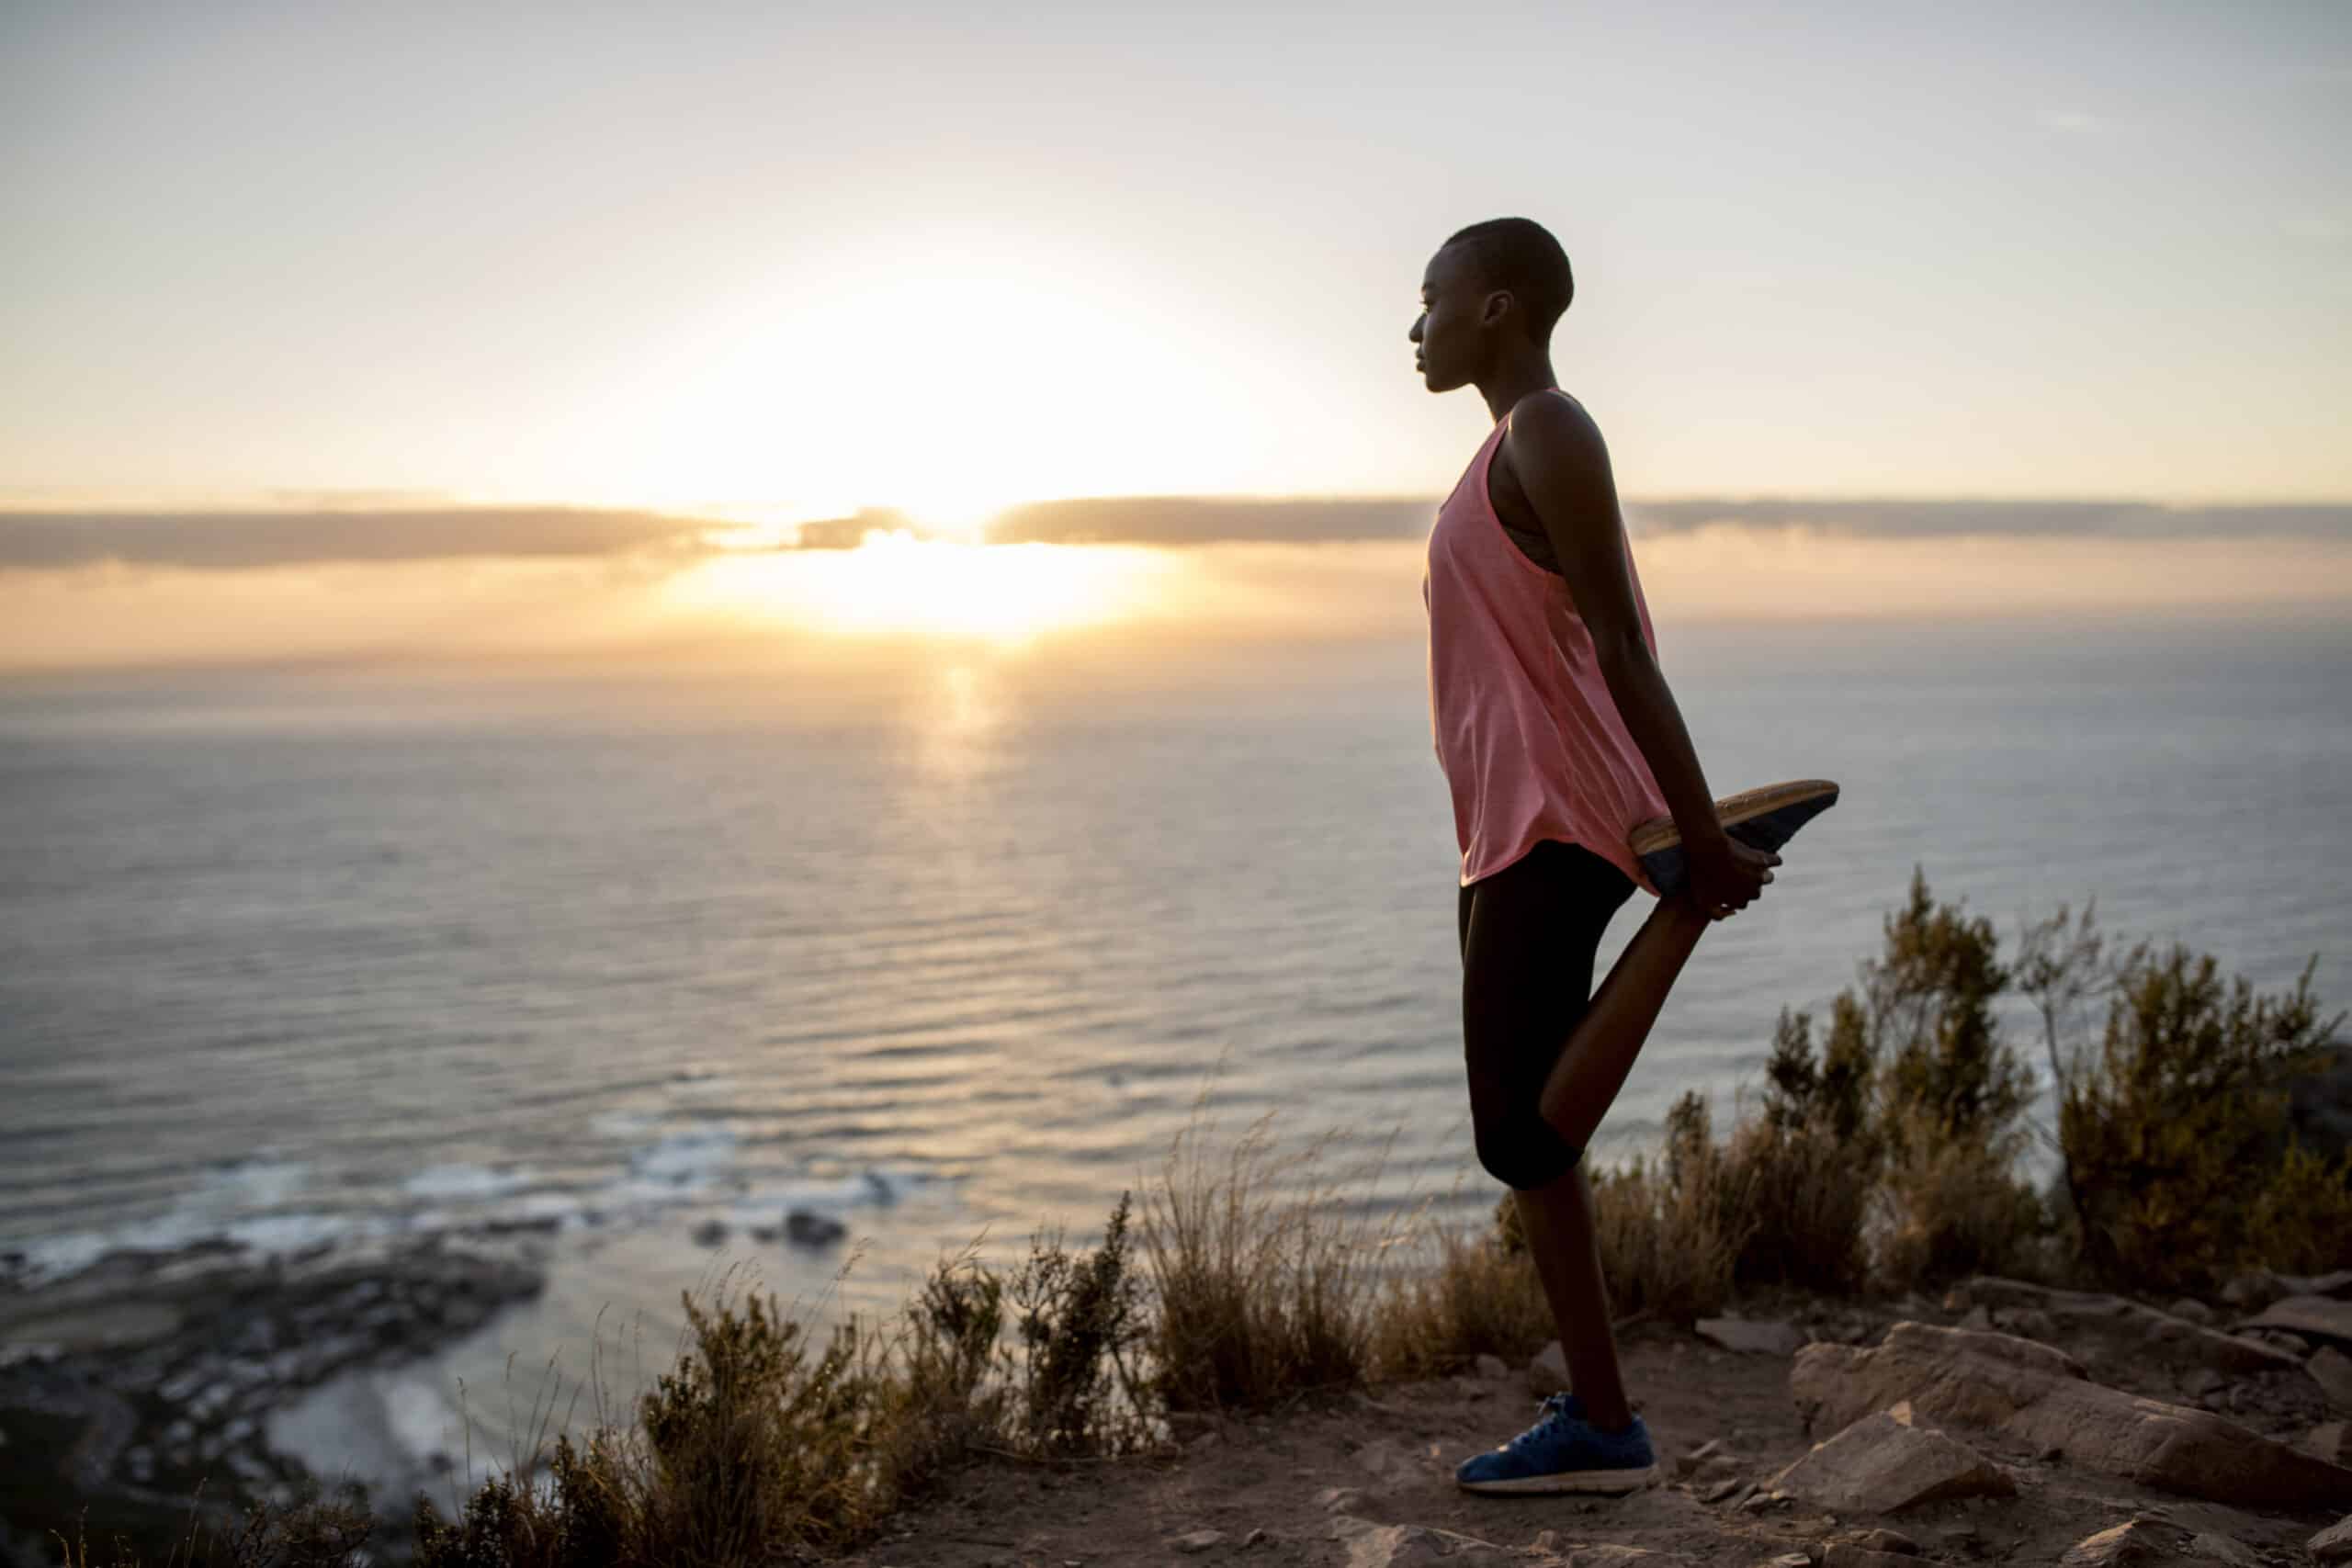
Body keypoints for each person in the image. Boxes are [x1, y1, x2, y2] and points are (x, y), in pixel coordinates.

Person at [1414, 216, 1837, 1495]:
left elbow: (1620, 642)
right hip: (1504, 825)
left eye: (1429, 300)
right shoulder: (1501, 450)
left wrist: (1699, 833)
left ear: (1497, 305)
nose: (1412, 327)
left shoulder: (1549, 427)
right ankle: (1602, 1420)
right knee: (1540, 1144)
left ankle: (1689, 900)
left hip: (1567, 811)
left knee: (1518, 1140)